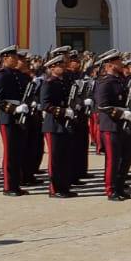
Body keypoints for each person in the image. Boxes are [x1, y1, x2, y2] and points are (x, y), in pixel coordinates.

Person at [93, 51, 131, 201]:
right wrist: (121, 113)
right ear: (109, 65)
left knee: (129, 155)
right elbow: (102, 106)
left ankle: (120, 186)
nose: (121, 64)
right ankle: (111, 190)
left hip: (121, 125)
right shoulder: (105, 82)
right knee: (113, 159)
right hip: (110, 125)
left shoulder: (119, 80)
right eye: (118, 62)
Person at [38, 54, 79, 198]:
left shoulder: (64, 82)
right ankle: (54, 189)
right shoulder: (48, 83)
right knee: (55, 159)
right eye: (59, 66)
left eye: (63, 65)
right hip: (53, 124)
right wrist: (62, 111)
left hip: (65, 124)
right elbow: (45, 105)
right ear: (51, 68)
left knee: (65, 157)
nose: (63, 67)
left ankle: (64, 186)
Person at [0, 47, 30, 196]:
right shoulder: (1, 75)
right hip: (7, 117)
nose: (16, 60)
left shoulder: (17, 74)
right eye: (14, 57)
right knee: (10, 153)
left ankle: (16, 184)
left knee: (18, 151)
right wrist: (14, 109)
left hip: (20, 116)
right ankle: (8, 186)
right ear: (5, 58)